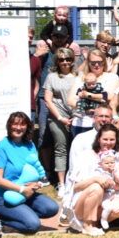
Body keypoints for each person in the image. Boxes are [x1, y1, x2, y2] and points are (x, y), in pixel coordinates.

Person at [0, 112, 59, 234]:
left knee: (52, 208)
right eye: (15, 124)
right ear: (9, 126)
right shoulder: (1, 147)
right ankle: (1, 220)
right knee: (33, 225)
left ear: (27, 126)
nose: (18, 128)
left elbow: (34, 169)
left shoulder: (30, 145)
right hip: (5, 197)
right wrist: (22, 189)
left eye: (22, 124)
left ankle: (22, 214)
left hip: (27, 194)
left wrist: (35, 184)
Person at [42, 46, 77, 196]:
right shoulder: (51, 77)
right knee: (61, 148)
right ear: (57, 61)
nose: (65, 62)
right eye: (62, 59)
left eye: (68, 59)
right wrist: (60, 118)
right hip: (58, 116)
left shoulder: (78, 76)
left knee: (76, 149)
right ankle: (61, 184)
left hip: (76, 116)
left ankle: (75, 180)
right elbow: (48, 100)